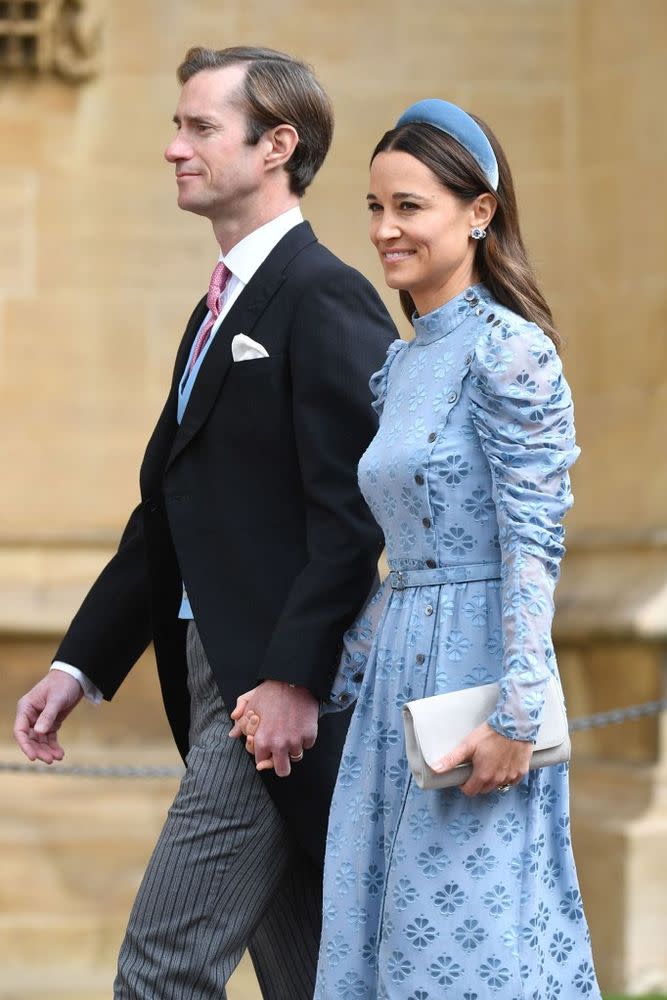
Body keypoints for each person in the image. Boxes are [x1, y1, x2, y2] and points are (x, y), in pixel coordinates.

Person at [12, 46, 397, 999]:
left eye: (198, 128)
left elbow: (355, 511)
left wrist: (293, 677)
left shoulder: (324, 294)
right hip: (216, 675)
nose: (172, 147)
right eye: (177, 126)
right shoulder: (213, 307)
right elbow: (169, 515)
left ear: (277, 146)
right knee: (317, 979)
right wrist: (78, 665)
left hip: (274, 686)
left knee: (160, 971)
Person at [308, 99, 601, 997]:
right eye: (373, 206)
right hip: (399, 676)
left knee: (464, 942)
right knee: (379, 936)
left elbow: (532, 539)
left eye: (409, 206)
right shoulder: (401, 364)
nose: (384, 229)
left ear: (478, 213)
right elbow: (407, 551)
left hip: (479, 673)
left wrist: (518, 708)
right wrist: (333, 676)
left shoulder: (509, 352)